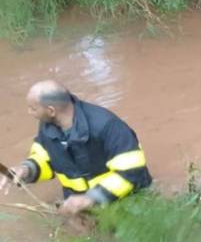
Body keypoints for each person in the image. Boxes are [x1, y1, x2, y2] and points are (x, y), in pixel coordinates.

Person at [0, 80, 152, 215]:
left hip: (123, 200)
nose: (29, 112)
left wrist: (92, 198)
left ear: (51, 111)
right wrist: (26, 169)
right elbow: (45, 158)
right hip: (79, 206)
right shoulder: (47, 126)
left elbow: (132, 173)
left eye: (33, 108)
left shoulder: (108, 126)